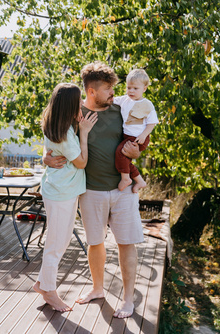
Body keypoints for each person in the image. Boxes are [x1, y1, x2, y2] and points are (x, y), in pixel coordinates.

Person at [43, 62, 143, 318]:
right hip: (89, 191)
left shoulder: (122, 109)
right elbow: (54, 137)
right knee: (95, 243)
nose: (113, 93)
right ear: (91, 91)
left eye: (113, 88)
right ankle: (98, 289)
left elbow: (140, 139)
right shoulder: (74, 115)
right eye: (108, 88)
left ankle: (129, 300)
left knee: (126, 243)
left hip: (124, 190)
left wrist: (139, 151)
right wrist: (45, 158)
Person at [33, 83, 98, 312]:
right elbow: (81, 162)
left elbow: (48, 152)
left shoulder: (53, 124)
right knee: (56, 243)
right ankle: (49, 291)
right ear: (70, 105)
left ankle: (42, 283)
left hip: (59, 189)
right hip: (61, 193)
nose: (82, 104)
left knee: (59, 240)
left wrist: (45, 158)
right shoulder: (65, 134)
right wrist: (85, 133)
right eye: (78, 101)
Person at [114, 69, 159, 193]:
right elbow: (111, 100)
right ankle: (139, 181)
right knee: (125, 160)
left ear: (144, 89)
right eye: (129, 88)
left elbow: (152, 122)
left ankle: (126, 179)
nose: (131, 91)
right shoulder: (125, 100)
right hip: (127, 136)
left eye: (135, 88)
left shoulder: (147, 104)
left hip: (138, 137)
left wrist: (144, 135)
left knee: (120, 152)